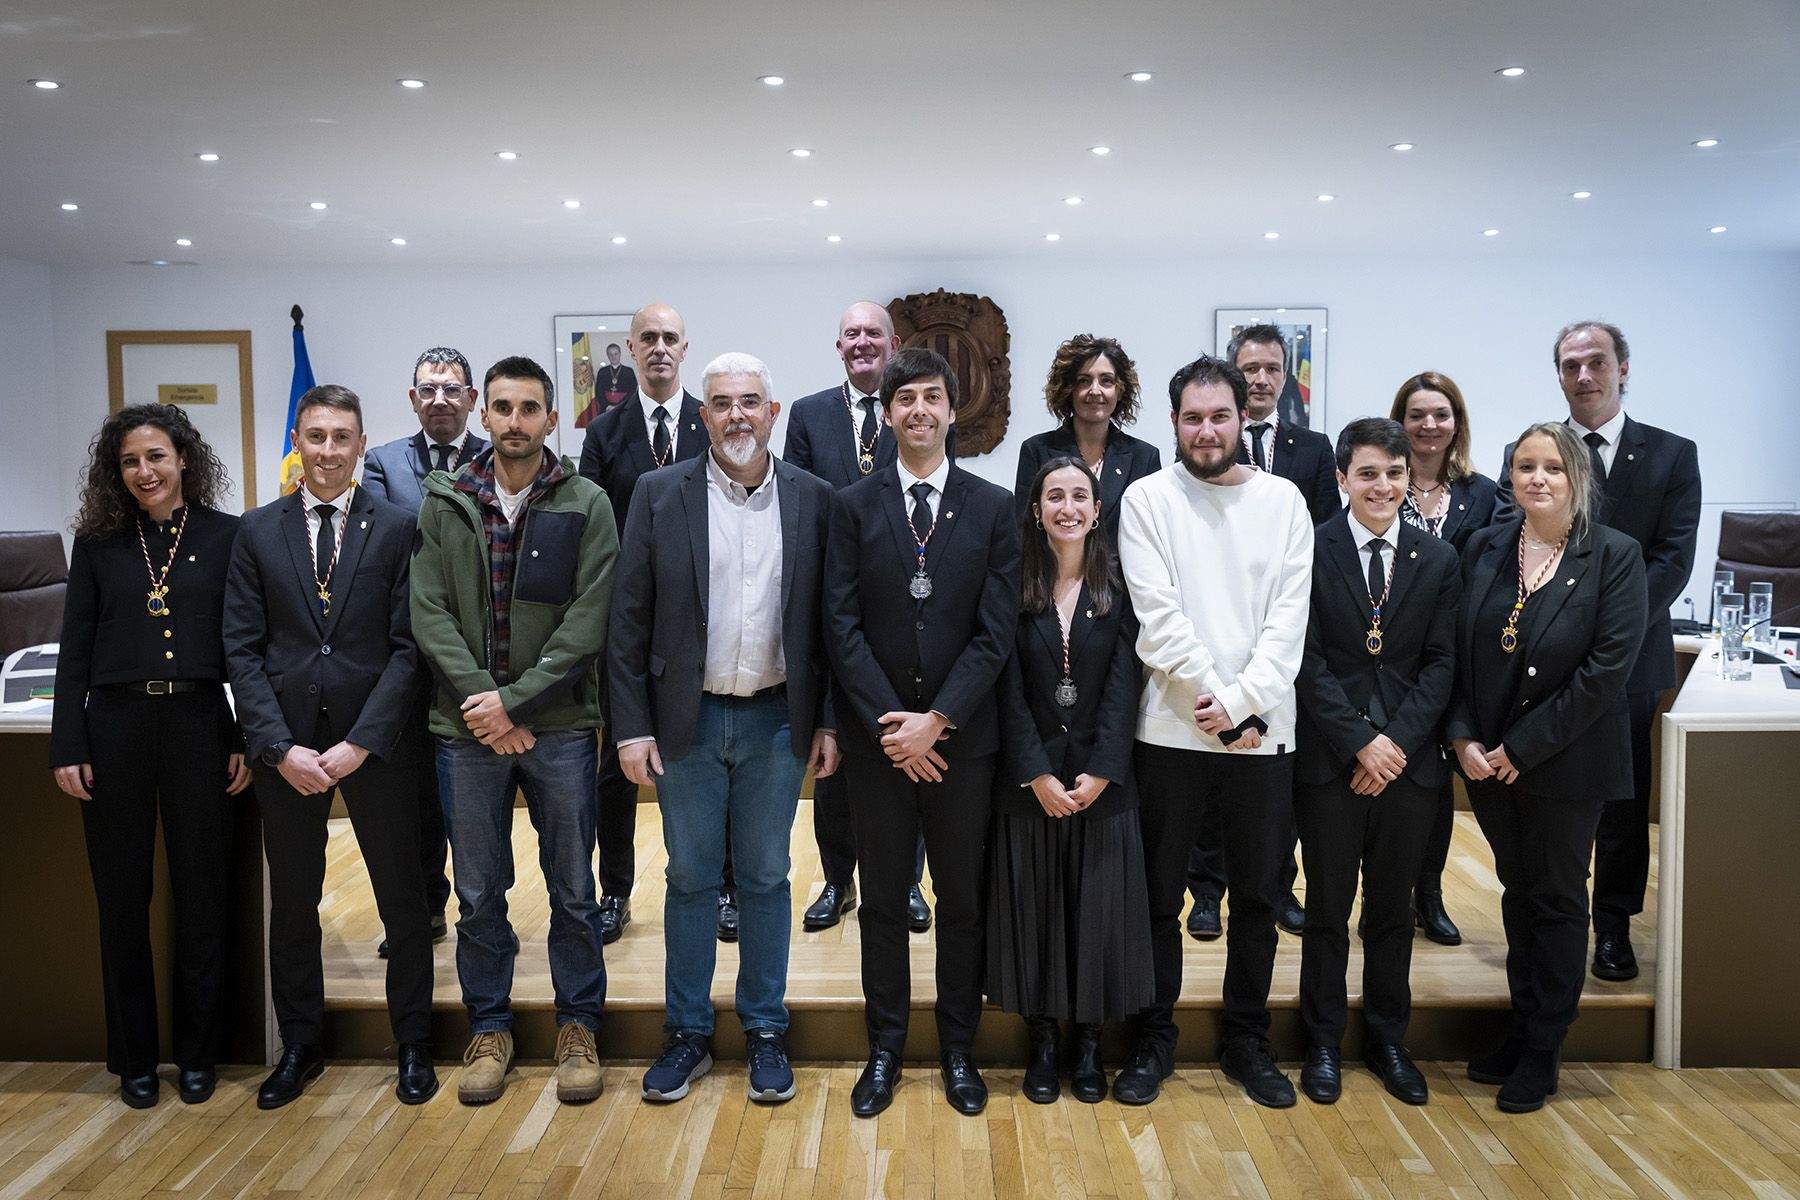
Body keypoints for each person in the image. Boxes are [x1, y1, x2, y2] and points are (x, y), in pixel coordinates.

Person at [610, 352, 838, 1105]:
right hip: (689, 721)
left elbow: (831, 626)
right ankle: (687, 1033)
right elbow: (627, 621)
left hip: (778, 720)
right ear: (700, 415)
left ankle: (767, 1029)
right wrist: (631, 726)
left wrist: (828, 721)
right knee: (690, 879)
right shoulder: (656, 494)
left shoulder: (813, 497)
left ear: (773, 413)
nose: (736, 414)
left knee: (769, 877)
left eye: (750, 401)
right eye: (720, 403)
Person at [411, 355, 619, 1106]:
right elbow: (427, 613)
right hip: (466, 732)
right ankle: (490, 1028)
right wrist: (484, 703)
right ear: (481, 413)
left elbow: (588, 619)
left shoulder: (586, 502)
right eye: (501, 408)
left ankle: (577, 1028)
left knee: (573, 887)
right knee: (478, 893)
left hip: (560, 728)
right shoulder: (445, 500)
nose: (515, 422)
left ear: (552, 419)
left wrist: (517, 704)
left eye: (530, 409)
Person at [223, 385, 437, 1109]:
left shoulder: (400, 526)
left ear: (361, 445)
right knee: (293, 908)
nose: (327, 451)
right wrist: (279, 747)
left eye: (342, 437)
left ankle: (412, 1044)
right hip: (285, 753)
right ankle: (300, 1047)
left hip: (376, 747)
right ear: (298, 441)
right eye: (315, 437)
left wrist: (360, 745)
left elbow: (410, 650)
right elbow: (242, 652)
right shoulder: (257, 531)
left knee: (403, 905)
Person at [825, 347, 1019, 1117]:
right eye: (904, 398)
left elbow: (995, 632)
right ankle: (884, 1049)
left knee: (961, 901)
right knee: (879, 904)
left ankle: (960, 1050)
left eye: (932, 397)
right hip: (878, 751)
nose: (918, 411)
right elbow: (840, 626)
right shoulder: (851, 505)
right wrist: (892, 730)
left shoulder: (994, 507)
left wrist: (937, 722)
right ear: (887, 411)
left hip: (961, 747)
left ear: (950, 410)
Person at [1116, 355, 1312, 1108]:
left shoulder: (1286, 501)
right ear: (1173, 423)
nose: (1206, 430)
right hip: (1170, 733)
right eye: (1192, 417)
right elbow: (1157, 620)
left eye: (1219, 416)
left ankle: (1246, 1041)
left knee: (1258, 900)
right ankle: (1153, 1038)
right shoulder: (1146, 499)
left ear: (1244, 418)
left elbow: (1288, 623)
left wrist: (1243, 705)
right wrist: (1216, 704)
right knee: (1159, 899)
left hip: (1264, 737)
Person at [50, 403, 251, 1109]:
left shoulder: (228, 537)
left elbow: (241, 650)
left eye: (157, 457)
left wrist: (242, 735)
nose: (145, 472)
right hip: (115, 729)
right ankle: (134, 1059)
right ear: (118, 471)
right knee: (122, 902)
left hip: (199, 722)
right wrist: (67, 742)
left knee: (203, 897)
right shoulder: (99, 543)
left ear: (185, 459)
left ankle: (199, 1054)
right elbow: (74, 651)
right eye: (131, 461)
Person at [1494, 322, 1699, 985]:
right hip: (1537, 666)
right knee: (1546, 804)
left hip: (1628, 663)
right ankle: (1549, 924)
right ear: (1557, 374)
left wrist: (1606, 629)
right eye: (1569, 365)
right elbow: (1510, 543)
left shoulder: (1670, 455)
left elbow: (1673, 561)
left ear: (1623, 368)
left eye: (1596, 363)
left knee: (1620, 801)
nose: (1584, 375)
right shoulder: (1529, 452)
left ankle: (1612, 926)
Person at [1451, 421, 1647, 1113]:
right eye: (1525, 466)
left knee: (1558, 899)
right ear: (1509, 476)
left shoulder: (1614, 556)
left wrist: (1521, 750)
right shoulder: (1484, 547)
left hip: (1566, 762)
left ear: (1576, 478)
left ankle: (1544, 1048)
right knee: (1517, 893)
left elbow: (1604, 673)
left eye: (1552, 468)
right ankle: (1522, 1024)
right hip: (1488, 760)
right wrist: (1464, 738)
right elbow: (1456, 654)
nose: (1538, 478)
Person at [1291, 418, 1460, 1107]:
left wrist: (1394, 745)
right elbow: (1303, 660)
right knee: (1328, 911)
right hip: (1332, 762)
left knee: (1392, 913)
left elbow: (1443, 663)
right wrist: (1361, 740)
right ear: (1342, 480)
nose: (1382, 486)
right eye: (1368, 473)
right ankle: (1322, 1044)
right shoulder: (1311, 549)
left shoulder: (1437, 558)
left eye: (1394, 474)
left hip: (1410, 767)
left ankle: (1390, 1040)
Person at [987, 457, 1152, 1105]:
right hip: (1029, 789)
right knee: (1037, 913)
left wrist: (1101, 772)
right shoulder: (1011, 587)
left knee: (1094, 917)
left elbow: (1123, 690)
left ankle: (1086, 1044)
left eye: (1079, 495)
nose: (1067, 507)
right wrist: (1035, 772)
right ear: (1035, 510)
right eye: (1054, 496)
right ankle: (1043, 1043)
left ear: (1096, 509)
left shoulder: (1119, 591)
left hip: (1101, 789)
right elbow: (1006, 690)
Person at [783, 300, 931, 936]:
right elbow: (798, 501)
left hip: (907, 604)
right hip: (834, 600)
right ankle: (838, 878)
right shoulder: (810, 414)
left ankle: (906, 885)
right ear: (837, 345)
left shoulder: (911, 408)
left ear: (892, 343)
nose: (863, 342)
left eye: (874, 333)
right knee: (837, 751)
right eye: (852, 334)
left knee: (912, 750)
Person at [1184, 324, 1334, 942]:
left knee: (1272, 808)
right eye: (1250, 368)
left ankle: (1277, 886)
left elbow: (1318, 546)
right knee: (1206, 803)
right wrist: (1223, 697)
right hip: (1197, 685)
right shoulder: (1181, 475)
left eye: (1274, 368)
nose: (1263, 378)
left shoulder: (1311, 450)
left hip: (1275, 665)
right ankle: (1205, 893)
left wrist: (1248, 695)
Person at [577, 302, 719, 944]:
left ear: (685, 349)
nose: (659, 348)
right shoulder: (604, 433)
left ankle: (725, 890)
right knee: (618, 764)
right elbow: (590, 525)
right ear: (630, 350)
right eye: (648, 339)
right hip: (630, 620)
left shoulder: (710, 420)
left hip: (705, 621)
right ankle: (616, 890)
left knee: (717, 757)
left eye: (670, 338)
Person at [361, 346, 490, 959]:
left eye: (451, 389)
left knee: (466, 791)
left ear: (471, 400)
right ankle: (421, 906)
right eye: (428, 389)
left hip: (480, 650)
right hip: (409, 650)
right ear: (413, 399)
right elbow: (383, 543)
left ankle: (481, 909)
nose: (440, 398)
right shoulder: (385, 463)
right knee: (412, 790)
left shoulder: (497, 459)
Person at [1388, 371, 1498, 946]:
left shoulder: (1483, 493)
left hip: (1457, 656)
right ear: (1400, 422)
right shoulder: (1383, 483)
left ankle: (1428, 895)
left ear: (1458, 422)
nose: (1429, 426)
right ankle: (1386, 895)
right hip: (1394, 655)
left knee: (1433, 788)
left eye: (1441, 414)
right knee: (1389, 781)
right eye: (1417, 415)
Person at [1011, 334, 1162, 544]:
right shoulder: (1036, 450)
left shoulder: (1144, 457)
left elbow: (1150, 537)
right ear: (1068, 389)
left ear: (1119, 390)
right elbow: (1024, 532)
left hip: (1121, 576)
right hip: (1052, 574)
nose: (1095, 390)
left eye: (1106, 381)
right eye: (1084, 381)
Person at [599, 342, 637, 410]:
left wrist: (620, 406)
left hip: (624, 407)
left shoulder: (629, 371)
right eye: (610, 354)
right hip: (606, 409)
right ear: (607, 355)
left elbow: (633, 391)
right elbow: (599, 392)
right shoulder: (602, 372)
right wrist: (607, 406)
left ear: (620, 354)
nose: (613, 357)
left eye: (616, 354)